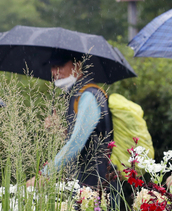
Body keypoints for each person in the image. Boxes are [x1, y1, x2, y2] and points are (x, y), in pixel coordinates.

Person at [27, 51, 114, 188]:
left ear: (77, 66)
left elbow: (77, 142)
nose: (55, 72)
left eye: (60, 66)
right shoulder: (76, 93)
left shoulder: (89, 95)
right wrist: (58, 129)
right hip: (85, 178)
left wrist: (45, 174)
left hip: (98, 180)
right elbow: (85, 138)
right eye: (52, 67)